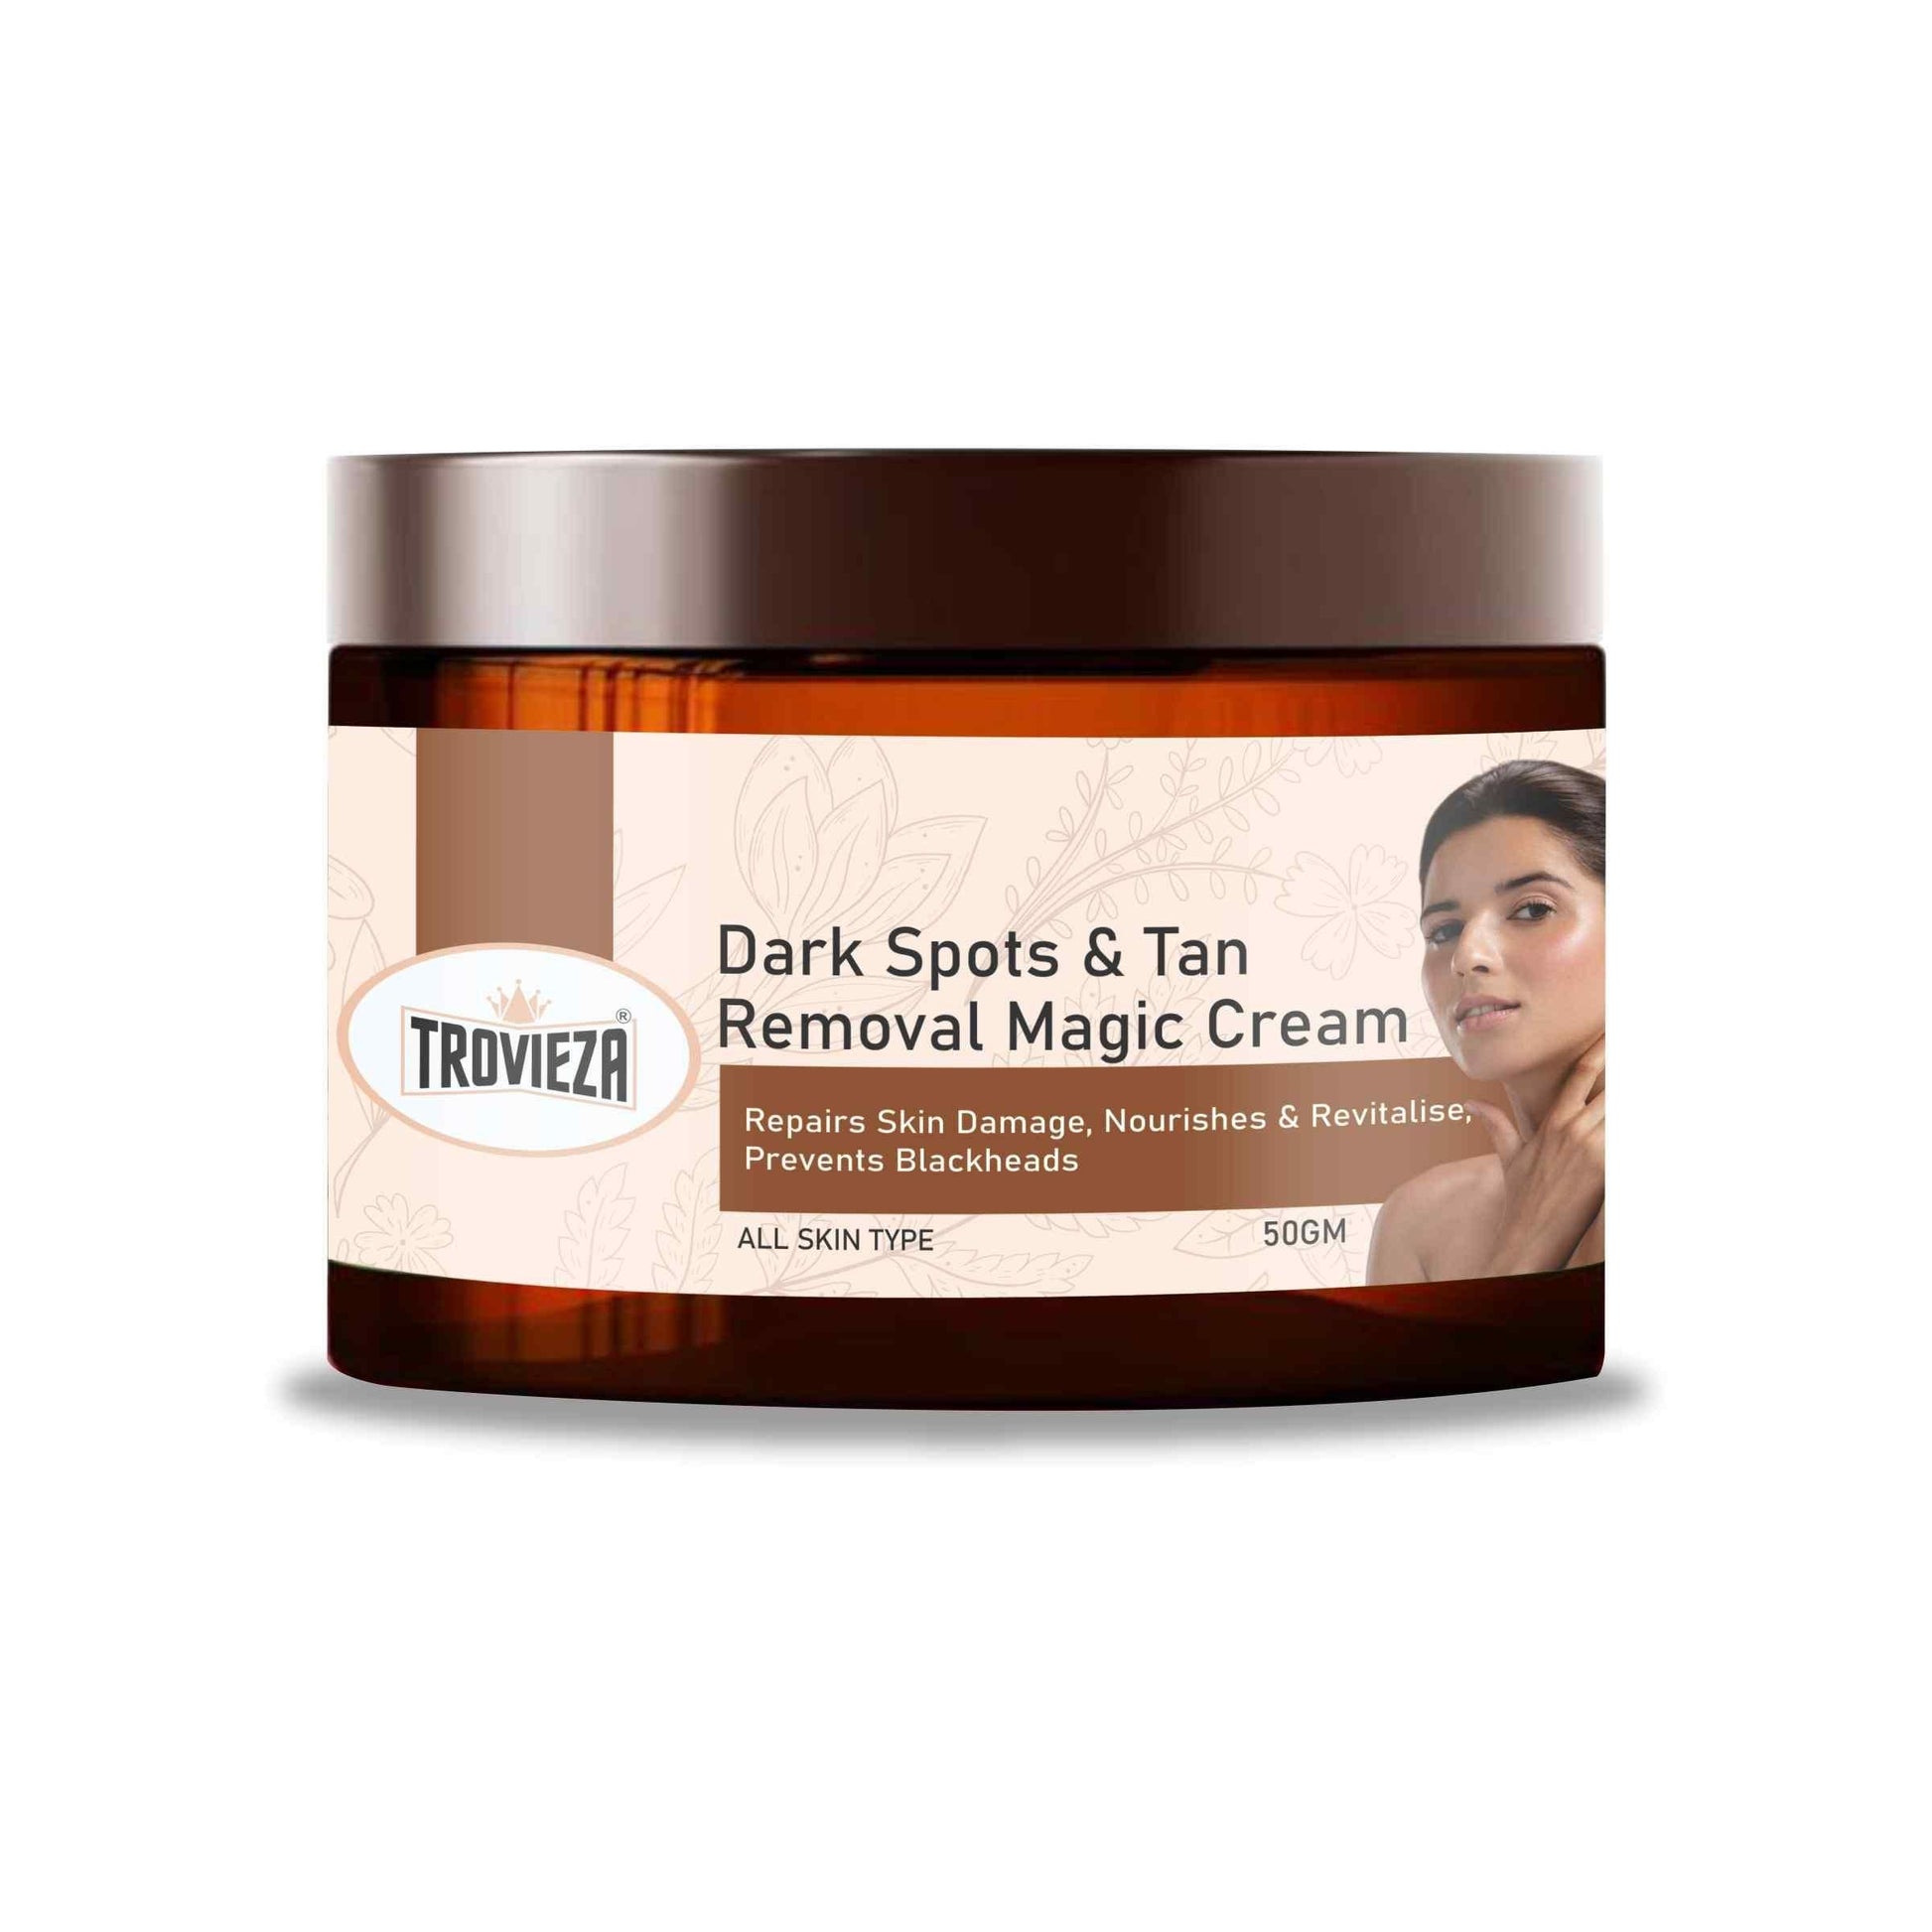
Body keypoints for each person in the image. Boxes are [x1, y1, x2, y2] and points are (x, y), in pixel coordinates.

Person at [1366, 759, 1604, 1284]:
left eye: (1533, 910)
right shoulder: (1421, 1221)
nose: (1466, 956)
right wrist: (1530, 1242)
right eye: (1444, 930)